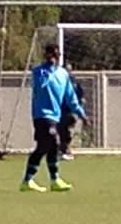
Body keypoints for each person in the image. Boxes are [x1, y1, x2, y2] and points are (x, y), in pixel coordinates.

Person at [20, 44, 87, 193]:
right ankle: (33, 180)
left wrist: (82, 114)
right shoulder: (38, 72)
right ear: (46, 55)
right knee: (54, 141)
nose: (53, 58)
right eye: (50, 54)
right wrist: (48, 69)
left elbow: (71, 98)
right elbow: (41, 85)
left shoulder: (63, 74)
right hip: (41, 115)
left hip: (55, 117)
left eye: (56, 55)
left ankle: (49, 180)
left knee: (46, 148)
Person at [57, 64, 85, 160]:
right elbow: (82, 98)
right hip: (68, 111)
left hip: (68, 111)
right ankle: (63, 149)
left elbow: (80, 98)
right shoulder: (74, 81)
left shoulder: (66, 82)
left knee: (62, 128)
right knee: (62, 129)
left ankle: (65, 150)